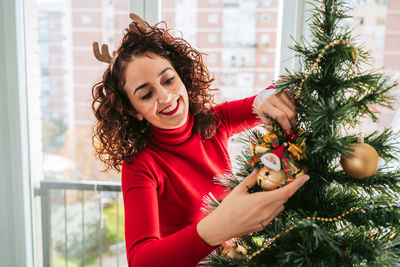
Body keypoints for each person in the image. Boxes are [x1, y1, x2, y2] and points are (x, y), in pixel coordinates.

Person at [91, 14, 309, 267]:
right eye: (147, 94)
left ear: (182, 76)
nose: (165, 96)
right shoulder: (141, 165)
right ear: (133, 111)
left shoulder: (216, 120)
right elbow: (141, 260)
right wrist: (217, 227)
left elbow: (269, 96)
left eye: (168, 80)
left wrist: (270, 100)